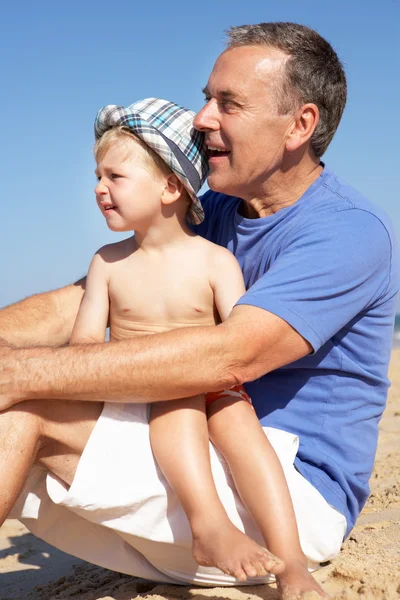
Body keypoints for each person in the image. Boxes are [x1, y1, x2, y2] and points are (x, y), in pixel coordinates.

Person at [0, 20, 399, 600]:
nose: (201, 118)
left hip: (284, 503)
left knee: (21, 411)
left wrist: (16, 372)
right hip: (191, 463)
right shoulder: (212, 211)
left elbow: (229, 357)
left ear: (300, 124)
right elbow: (80, 301)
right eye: (206, 98)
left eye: (228, 103)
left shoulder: (346, 232)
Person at [67, 96, 322, 597]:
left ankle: (292, 563)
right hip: (149, 392)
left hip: (212, 383)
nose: (99, 188)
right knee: (179, 399)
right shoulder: (108, 263)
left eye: (115, 177)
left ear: (170, 187)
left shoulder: (212, 261)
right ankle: (208, 523)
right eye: (98, 176)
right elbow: (83, 346)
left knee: (242, 429)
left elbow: (241, 339)